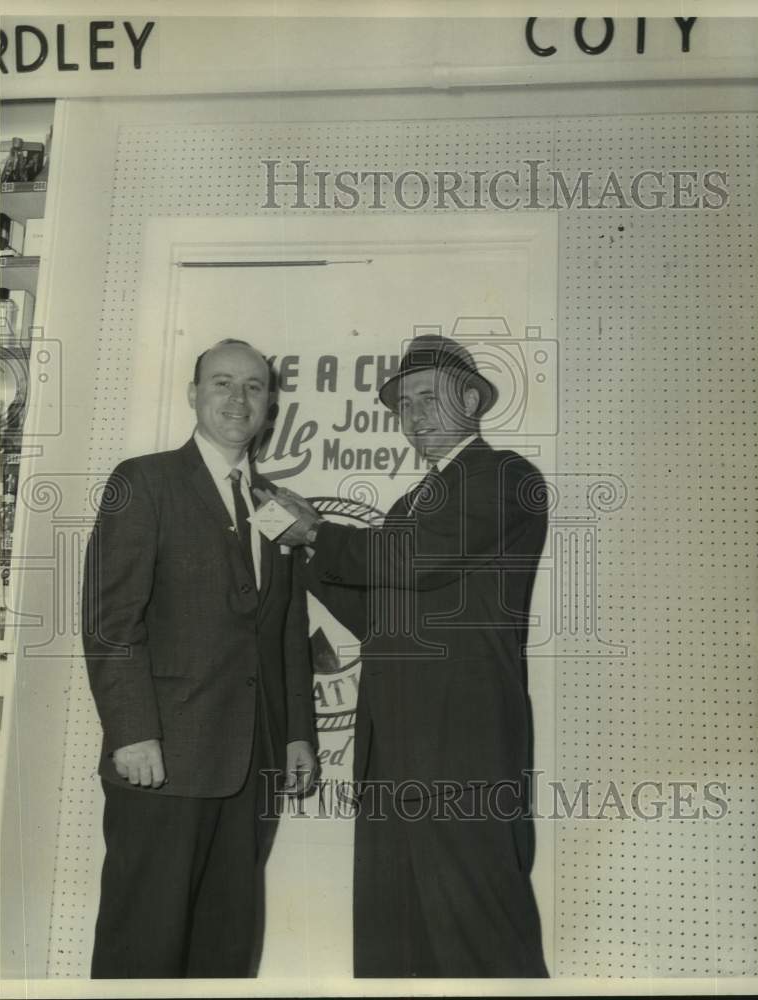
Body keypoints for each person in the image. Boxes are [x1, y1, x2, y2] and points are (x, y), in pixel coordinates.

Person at [260, 334, 549, 978]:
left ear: (472, 398)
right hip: (390, 743)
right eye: (404, 404)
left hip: (462, 744)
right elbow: (381, 620)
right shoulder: (406, 505)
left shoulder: (506, 476)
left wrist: (317, 531)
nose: (414, 415)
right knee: (395, 938)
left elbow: (411, 561)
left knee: (481, 932)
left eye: (430, 397)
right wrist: (303, 551)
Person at [82, 339, 316, 978]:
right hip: (165, 762)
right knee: (145, 946)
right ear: (193, 395)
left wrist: (297, 732)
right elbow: (110, 622)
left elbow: (285, 632)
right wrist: (132, 733)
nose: (238, 400)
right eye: (221, 383)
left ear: (269, 406)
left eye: (254, 387)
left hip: (253, 763)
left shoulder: (277, 507)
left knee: (226, 951)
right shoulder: (145, 480)